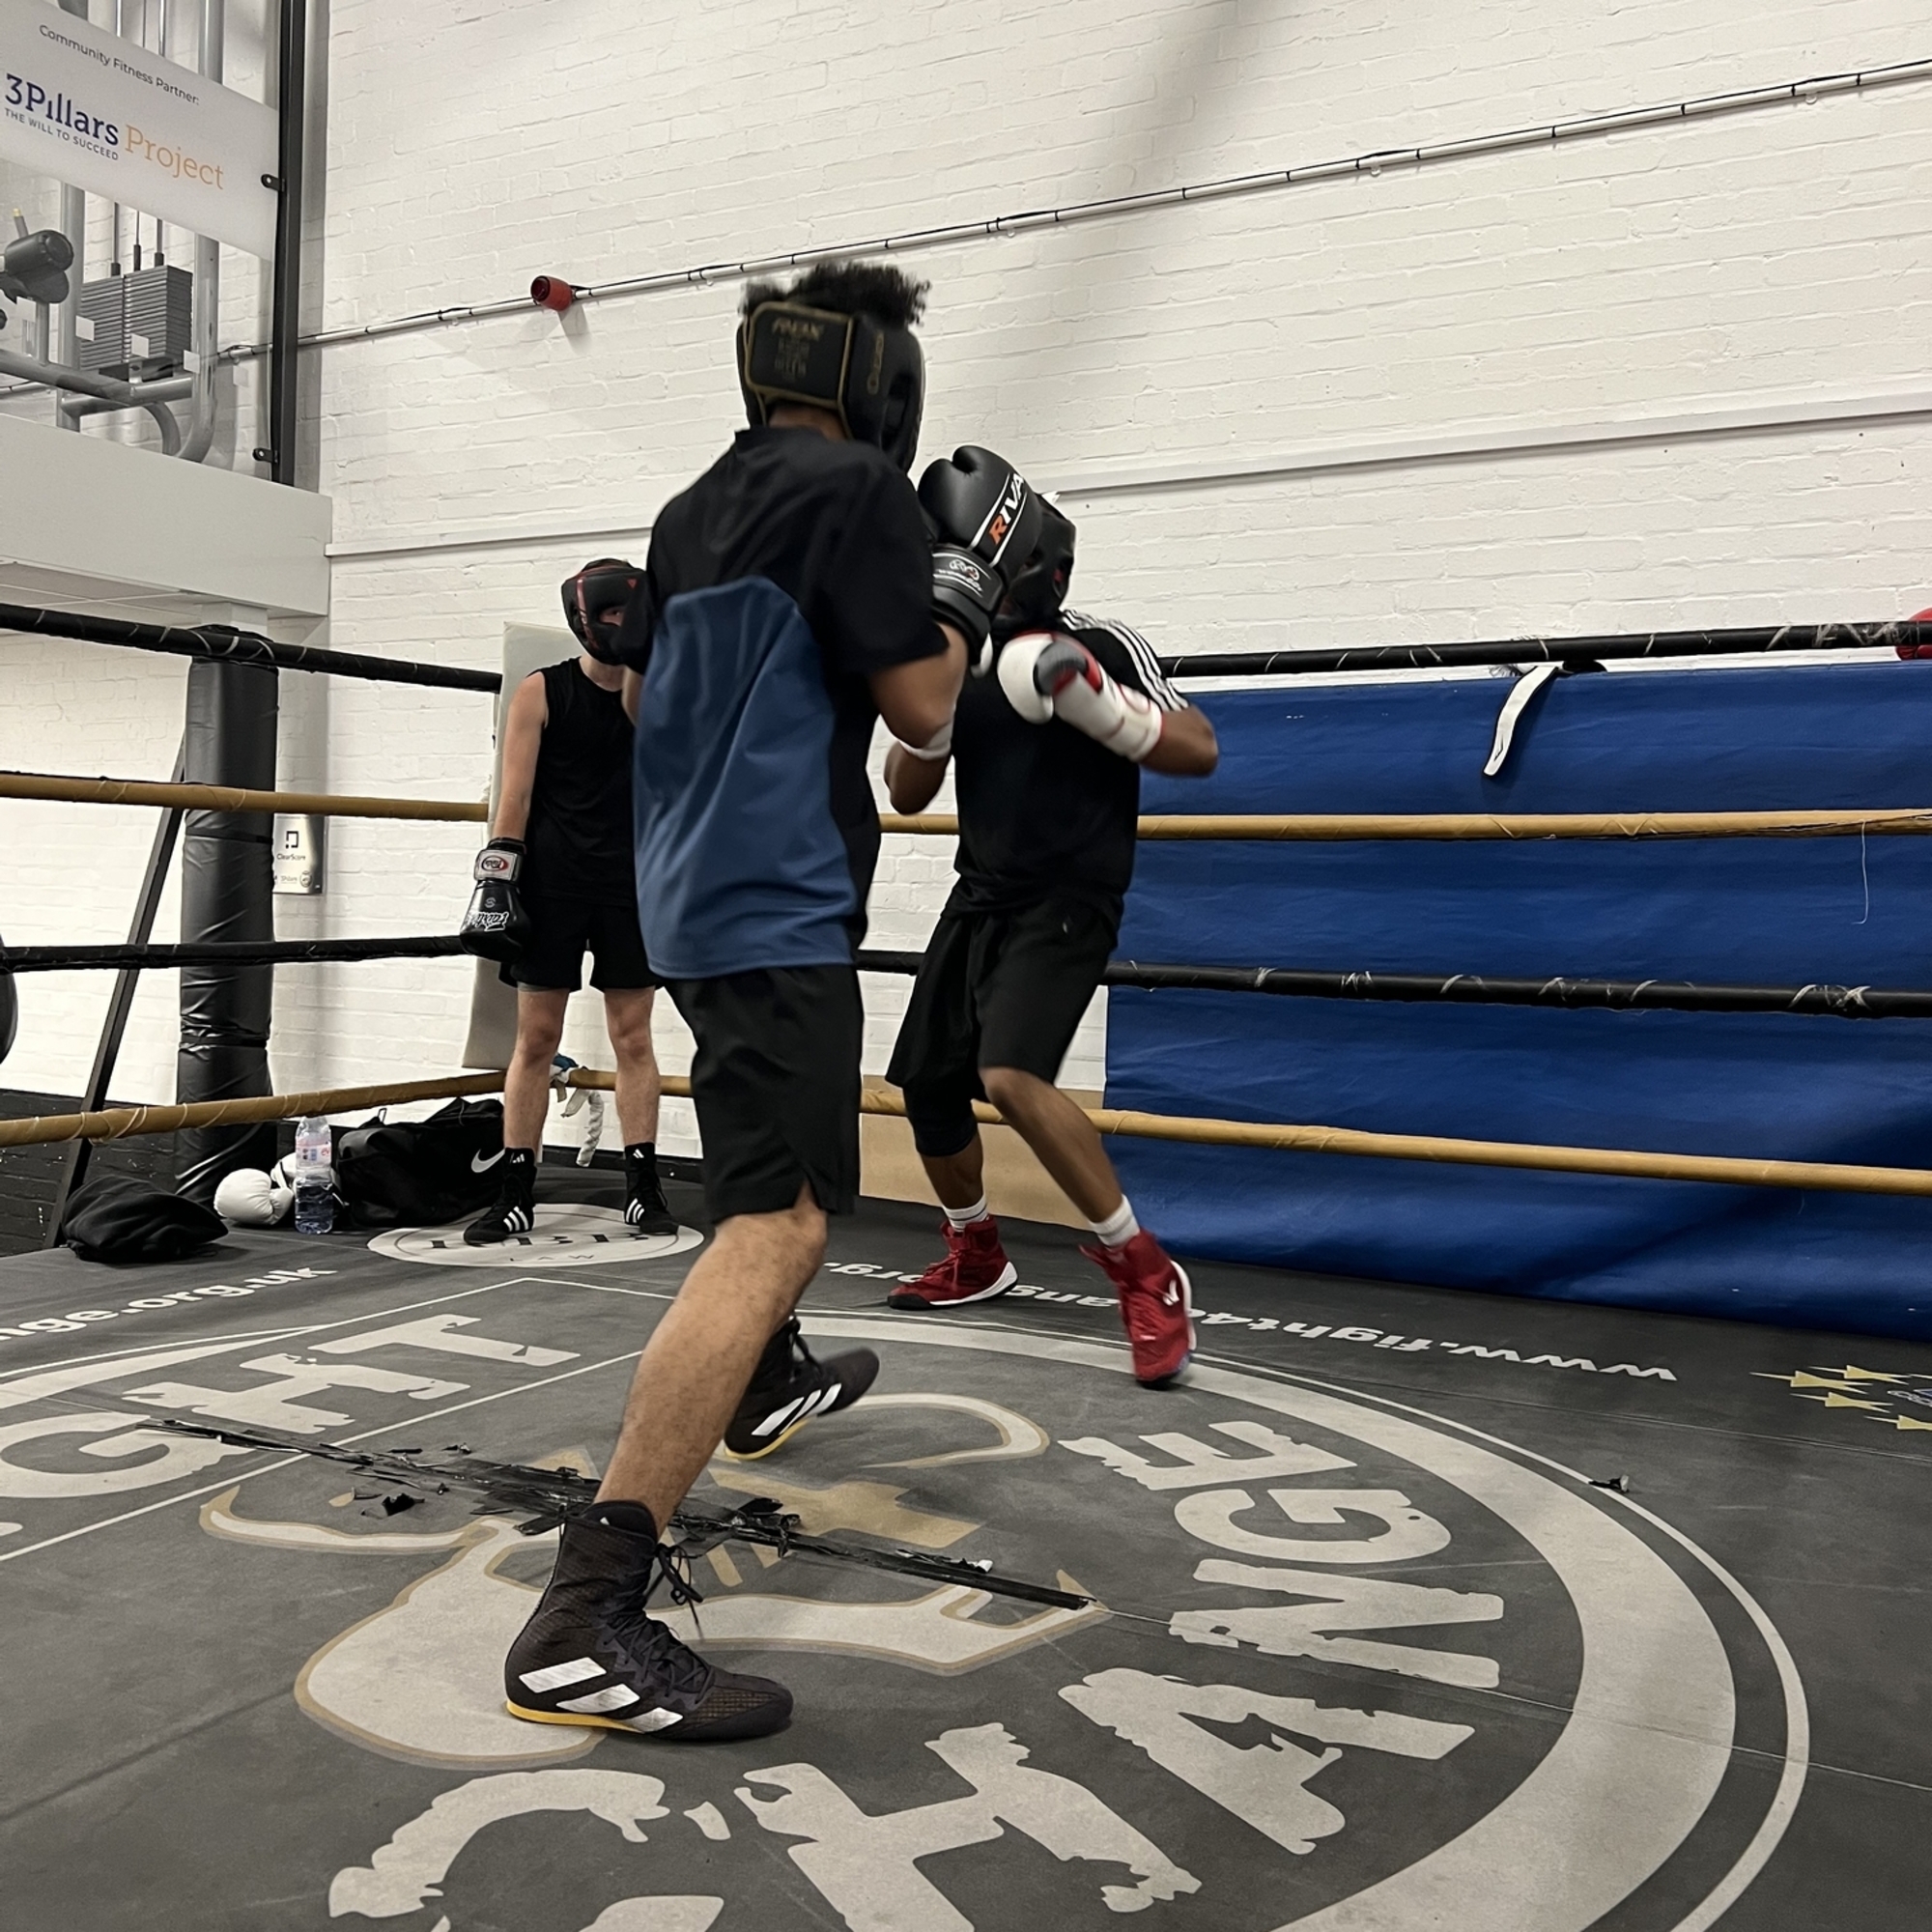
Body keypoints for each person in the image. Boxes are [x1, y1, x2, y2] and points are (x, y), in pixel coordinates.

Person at [499, 261, 1041, 1743]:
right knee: (780, 1223)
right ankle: (586, 1612)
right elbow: (922, 708)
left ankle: (762, 1374)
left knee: (771, 1185)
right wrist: (965, 591)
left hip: (686, 892)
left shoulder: (690, 509)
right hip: (773, 896)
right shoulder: (861, 494)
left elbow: (650, 696)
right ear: (884, 383)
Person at [880, 501, 1219, 1387]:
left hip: (1069, 899)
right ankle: (977, 1253)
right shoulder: (954, 653)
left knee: (1011, 1075)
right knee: (927, 1086)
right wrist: (935, 707)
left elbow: (1198, 747)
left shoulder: (1097, 643)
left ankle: (1147, 1271)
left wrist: (1096, 702)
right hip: (980, 895)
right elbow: (907, 790)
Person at [460, 563, 676, 1241]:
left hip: (633, 887)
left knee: (633, 1038)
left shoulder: (661, 693)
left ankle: (643, 1187)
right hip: (551, 884)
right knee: (535, 1039)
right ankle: (514, 1191)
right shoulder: (541, 690)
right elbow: (515, 795)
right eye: (616, 616)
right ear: (588, 621)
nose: (628, 627)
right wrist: (496, 879)